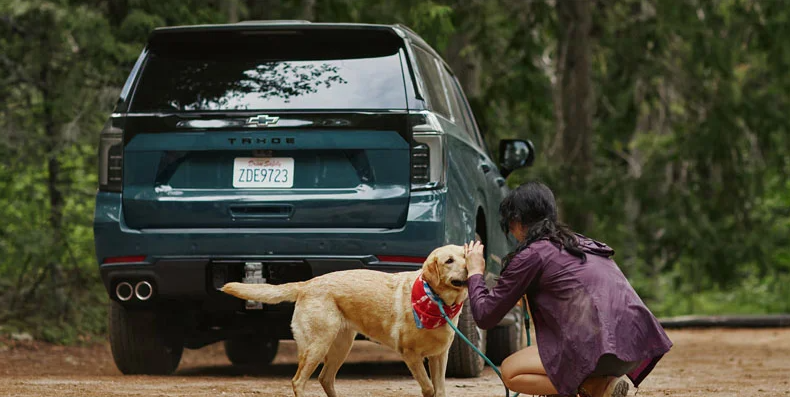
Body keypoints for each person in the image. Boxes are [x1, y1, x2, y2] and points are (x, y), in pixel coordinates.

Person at [464, 181, 672, 397]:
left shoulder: (532, 254)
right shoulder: (580, 243)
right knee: (554, 363)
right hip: (633, 347)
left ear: (515, 220)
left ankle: (596, 387)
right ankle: (602, 382)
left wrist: (475, 272)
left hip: (601, 351)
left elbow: (485, 316)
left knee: (511, 371)